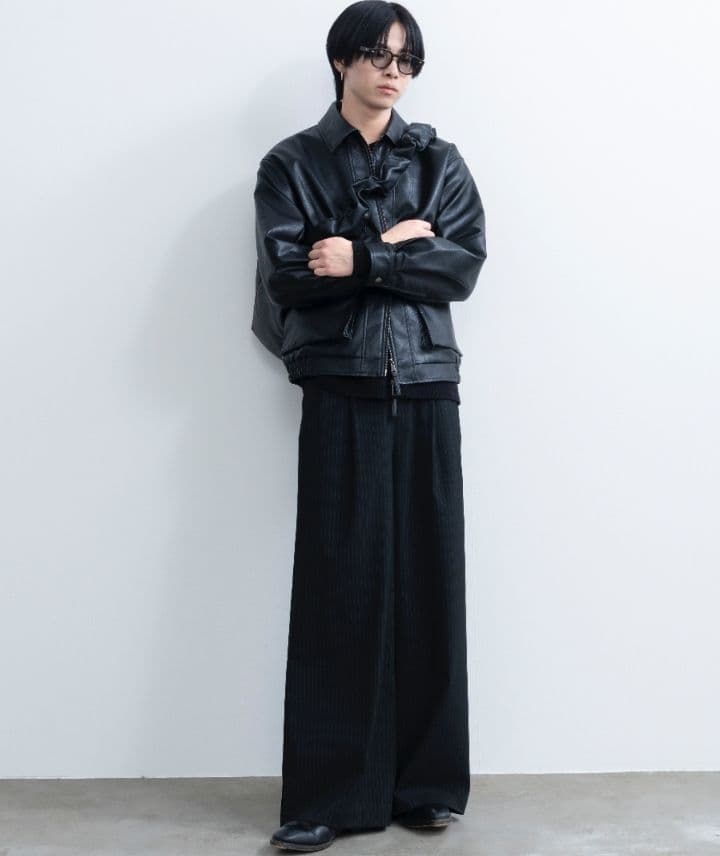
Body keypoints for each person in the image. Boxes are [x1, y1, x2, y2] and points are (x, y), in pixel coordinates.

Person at [252, 1, 487, 850]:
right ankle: (327, 798)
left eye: (406, 60)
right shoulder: (293, 164)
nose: (393, 71)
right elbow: (288, 277)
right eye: (378, 55)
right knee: (338, 587)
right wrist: (394, 243)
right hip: (341, 382)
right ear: (341, 61)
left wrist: (361, 254)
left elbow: (460, 267)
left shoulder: (440, 162)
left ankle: (425, 786)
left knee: (430, 585)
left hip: (426, 382)